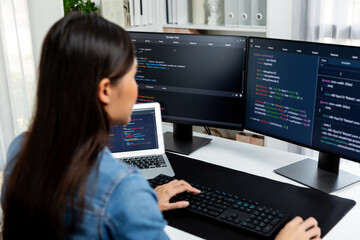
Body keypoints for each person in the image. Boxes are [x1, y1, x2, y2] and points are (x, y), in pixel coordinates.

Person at [1, 12, 321, 240]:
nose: (137, 87)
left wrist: (143, 204)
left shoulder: (21, 150)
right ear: (105, 90)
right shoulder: (122, 190)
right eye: (132, 74)